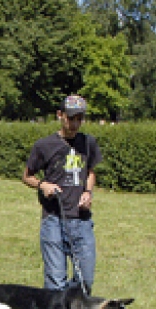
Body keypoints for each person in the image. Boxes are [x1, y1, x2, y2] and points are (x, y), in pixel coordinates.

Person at [22, 94, 102, 294]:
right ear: (60, 115)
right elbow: (27, 176)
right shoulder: (44, 145)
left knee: (86, 281)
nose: (75, 123)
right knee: (55, 283)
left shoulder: (88, 142)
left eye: (79, 119)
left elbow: (91, 172)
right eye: (71, 118)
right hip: (53, 219)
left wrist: (88, 192)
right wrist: (43, 185)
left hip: (81, 220)